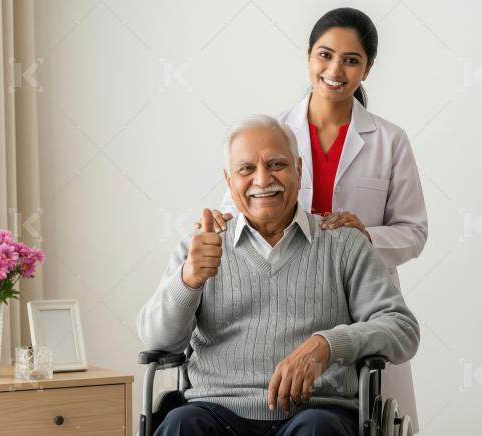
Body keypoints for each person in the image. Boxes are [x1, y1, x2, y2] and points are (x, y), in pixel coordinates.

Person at [206, 8, 428, 430]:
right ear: (308, 56)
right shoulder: (276, 133)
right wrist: (211, 231)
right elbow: (240, 206)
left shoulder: (390, 140)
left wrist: (364, 236)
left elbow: (414, 232)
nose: (335, 70)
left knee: (357, 415)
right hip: (288, 295)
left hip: (358, 295)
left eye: (351, 60)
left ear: (368, 67)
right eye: (325, 55)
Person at [138, 115, 419, 435]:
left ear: (299, 171)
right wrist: (188, 281)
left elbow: (402, 329)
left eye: (276, 164)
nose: (262, 179)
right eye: (246, 169)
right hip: (215, 410)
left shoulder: (343, 244)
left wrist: (328, 344)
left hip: (315, 410)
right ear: (229, 180)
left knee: (319, 429)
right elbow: (156, 340)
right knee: (181, 424)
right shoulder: (201, 246)